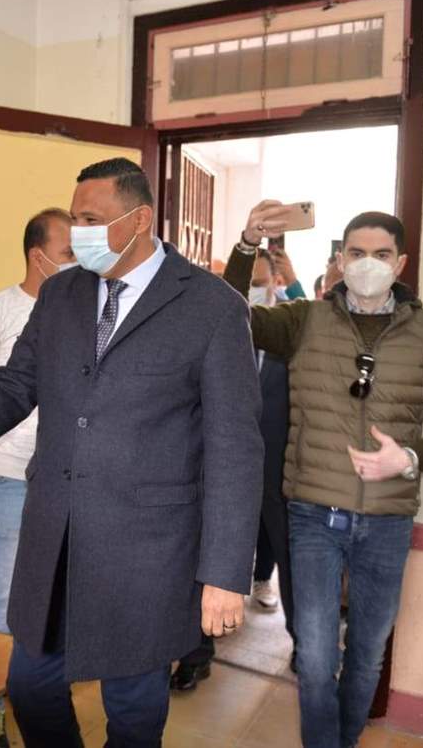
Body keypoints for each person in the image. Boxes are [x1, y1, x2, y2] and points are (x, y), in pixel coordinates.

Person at [0, 158, 264, 748]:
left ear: (140, 219)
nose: (79, 232)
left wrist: (225, 574)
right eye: (75, 219)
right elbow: (13, 386)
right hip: (55, 537)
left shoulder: (211, 307)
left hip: (147, 552)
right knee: (31, 688)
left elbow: (236, 449)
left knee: (133, 712)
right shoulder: (61, 294)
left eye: (91, 219)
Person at [225, 202, 423, 748]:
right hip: (313, 514)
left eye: (381, 254)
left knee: (366, 656)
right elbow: (228, 315)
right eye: (356, 253)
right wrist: (247, 244)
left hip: (387, 519)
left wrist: (408, 459)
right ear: (340, 260)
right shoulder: (304, 321)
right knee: (316, 659)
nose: (367, 264)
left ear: (400, 263)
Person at [0, 208, 75, 747]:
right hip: (8, 479)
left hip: (66, 481)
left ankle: (43, 701)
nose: (77, 262)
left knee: (59, 601)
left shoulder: (81, 312)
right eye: (69, 252)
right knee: (6, 602)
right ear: (38, 255)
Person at [170, 249, 297, 692]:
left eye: (263, 282)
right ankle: (195, 654)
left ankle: (301, 642)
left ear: (276, 284)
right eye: (250, 282)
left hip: (278, 467)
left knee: (284, 553)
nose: (254, 290)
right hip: (216, 467)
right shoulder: (209, 325)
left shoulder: (289, 331)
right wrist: (246, 245)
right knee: (203, 555)